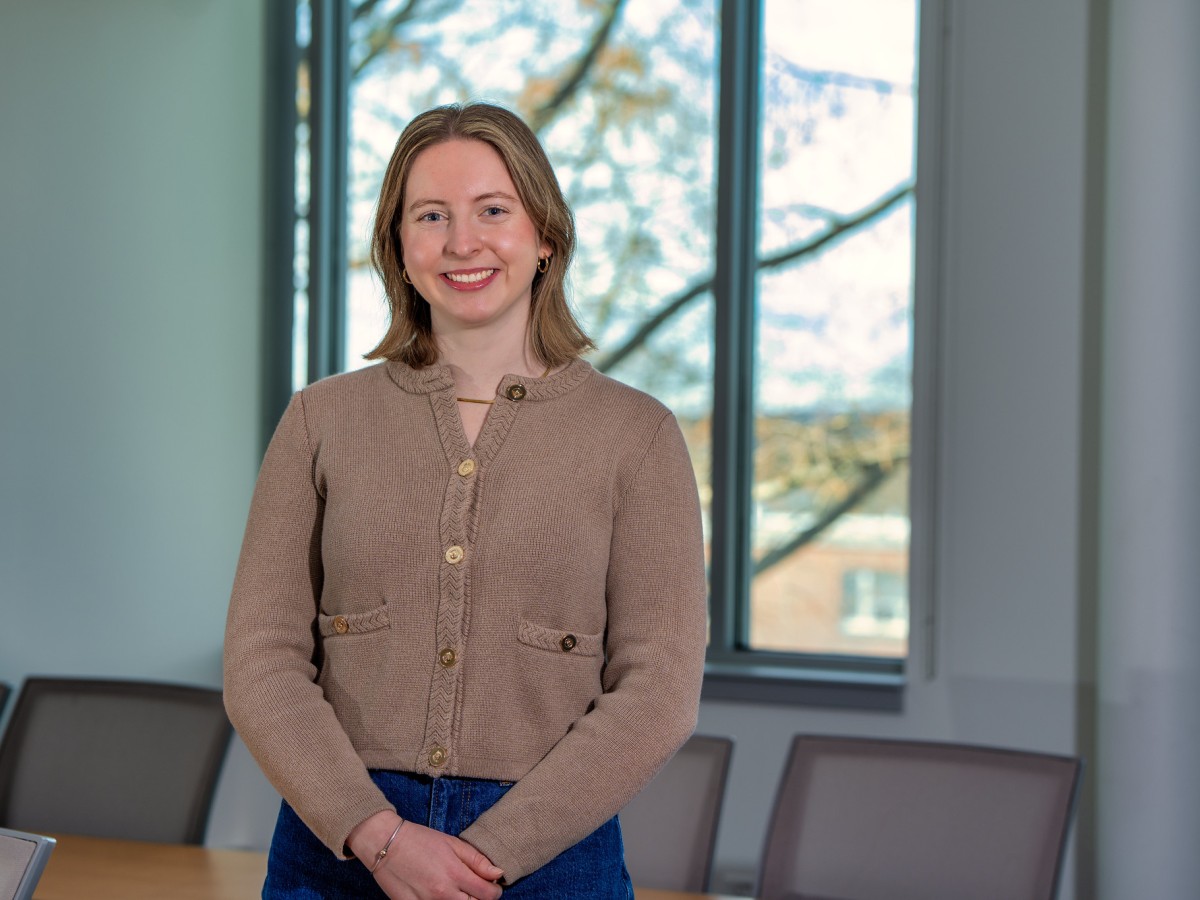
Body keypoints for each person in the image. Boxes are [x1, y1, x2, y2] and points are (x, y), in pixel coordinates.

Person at [223, 101, 707, 900]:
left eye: (493, 210)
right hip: (337, 848)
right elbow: (260, 660)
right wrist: (378, 837)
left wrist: (487, 854)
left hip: (551, 857)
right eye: (431, 215)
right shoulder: (320, 420)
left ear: (545, 235)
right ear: (398, 246)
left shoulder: (638, 435)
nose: (461, 242)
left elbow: (658, 694)